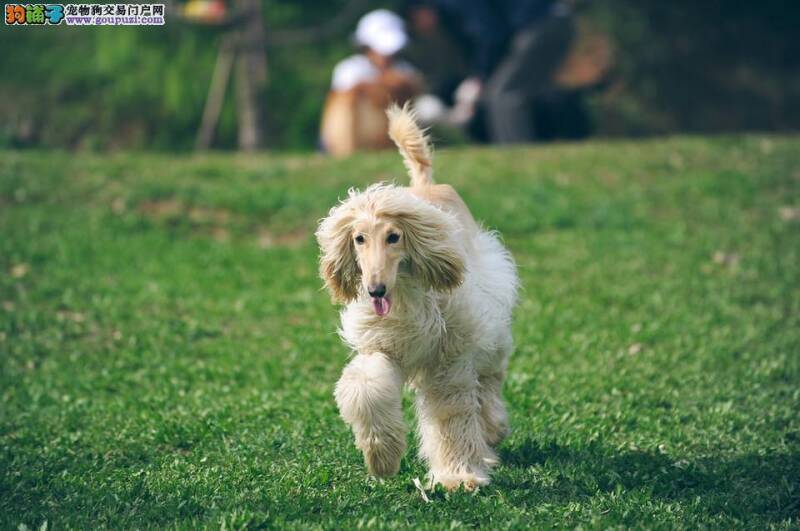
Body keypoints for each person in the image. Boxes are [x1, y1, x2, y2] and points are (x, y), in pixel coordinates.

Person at [404, 0, 577, 144]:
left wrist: (480, 77)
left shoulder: (452, 4)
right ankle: (552, 141)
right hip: (551, 19)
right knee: (523, 91)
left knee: (503, 96)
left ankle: (518, 157)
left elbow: (491, 34)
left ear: (421, 10)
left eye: (415, 20)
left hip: (540, 23)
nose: (421, 26)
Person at [320, 9, 421, 157]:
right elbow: (342, 107)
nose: (388, 57)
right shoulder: (349, 69)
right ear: (367, 47)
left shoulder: (404, 69)